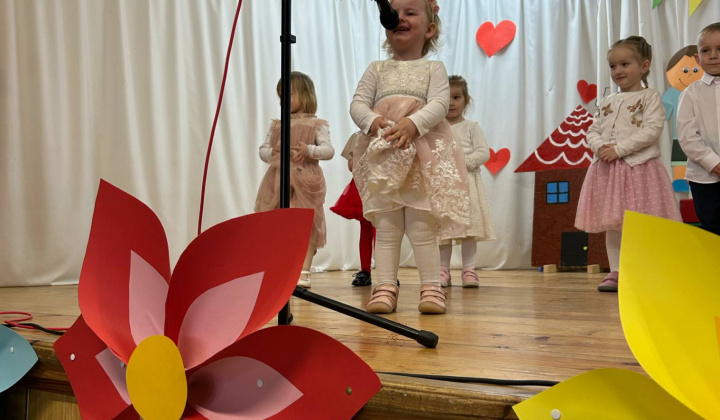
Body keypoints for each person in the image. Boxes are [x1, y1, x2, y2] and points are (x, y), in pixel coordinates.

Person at [350, 0, 470, 314]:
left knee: (421, 226)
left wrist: (414, 123)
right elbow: (358, 104)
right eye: (395, 13)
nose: (399, 18)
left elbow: (439, 103)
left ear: (429, 29)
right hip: (385, 154)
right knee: (387, 227)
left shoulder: (433, 68)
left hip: (421, 154)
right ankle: (385, 286)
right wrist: (373, 121)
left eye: (410, 13)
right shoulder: (376, 69)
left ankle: (431, 287)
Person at [575, 36, 682, 292]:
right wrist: (601, 148)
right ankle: (616, 271)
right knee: (614, 224)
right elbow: (592, 130)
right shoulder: (607, 101)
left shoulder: (650, 97)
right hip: (608, 171)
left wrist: (619, 150)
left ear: (644, 66)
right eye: (613, 66)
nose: (618, 71)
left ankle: (647, 269)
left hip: (640, 169)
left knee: (642, 223)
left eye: (625, 64)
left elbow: (652, 130)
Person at [255, 71, 334, 288]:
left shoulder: (316, 124)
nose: (284, 100)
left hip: (305, 181)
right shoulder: (277, 125)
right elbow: (262, 149)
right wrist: (272, 152)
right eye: (281, 96)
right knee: (279, 224)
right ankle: (282, 268)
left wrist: (309, 150)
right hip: (278, 179)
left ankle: (304, 271)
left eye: (288, 95)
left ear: (305, 95)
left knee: (306, 225)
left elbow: (328, 151)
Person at [439, 75, 495, 288]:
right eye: (446, 97)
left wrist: (464, 164)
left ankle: (469, 269)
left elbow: (483, 152)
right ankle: (442, 270)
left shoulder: (471, 126)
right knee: (443, 229)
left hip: (467, 183)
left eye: (456, 97)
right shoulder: (435, 128)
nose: (451, 102)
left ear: (466, 100)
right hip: (442, 184)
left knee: (468, 228)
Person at [678, 22, 720, 236]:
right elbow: (687, 137)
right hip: (703, 178)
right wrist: (714, 163)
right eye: (706, 50)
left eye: (719, 49)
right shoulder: (690, 93)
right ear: (697, 58)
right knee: (712, 228)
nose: (713, 55)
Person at [330, 132, 375, 287]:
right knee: (367, 228)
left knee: (383, 231)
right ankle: (365, 270)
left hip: (383, 186)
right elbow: (351, 166)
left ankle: (387, 271)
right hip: (362, 186)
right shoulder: (357, 137)